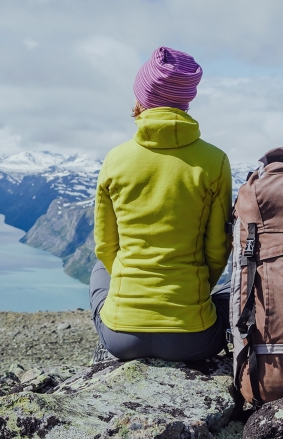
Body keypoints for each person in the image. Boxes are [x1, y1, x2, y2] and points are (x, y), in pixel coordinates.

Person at [90, 46, 233, 362]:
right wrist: (187, 297)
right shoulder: (215, 162)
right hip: (192, 338)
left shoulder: (115, 159)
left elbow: (105, 247)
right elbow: (217, 251)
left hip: (120, 336)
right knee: (231, 291)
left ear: (141, 98)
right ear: (186, 100)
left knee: (100, 268)